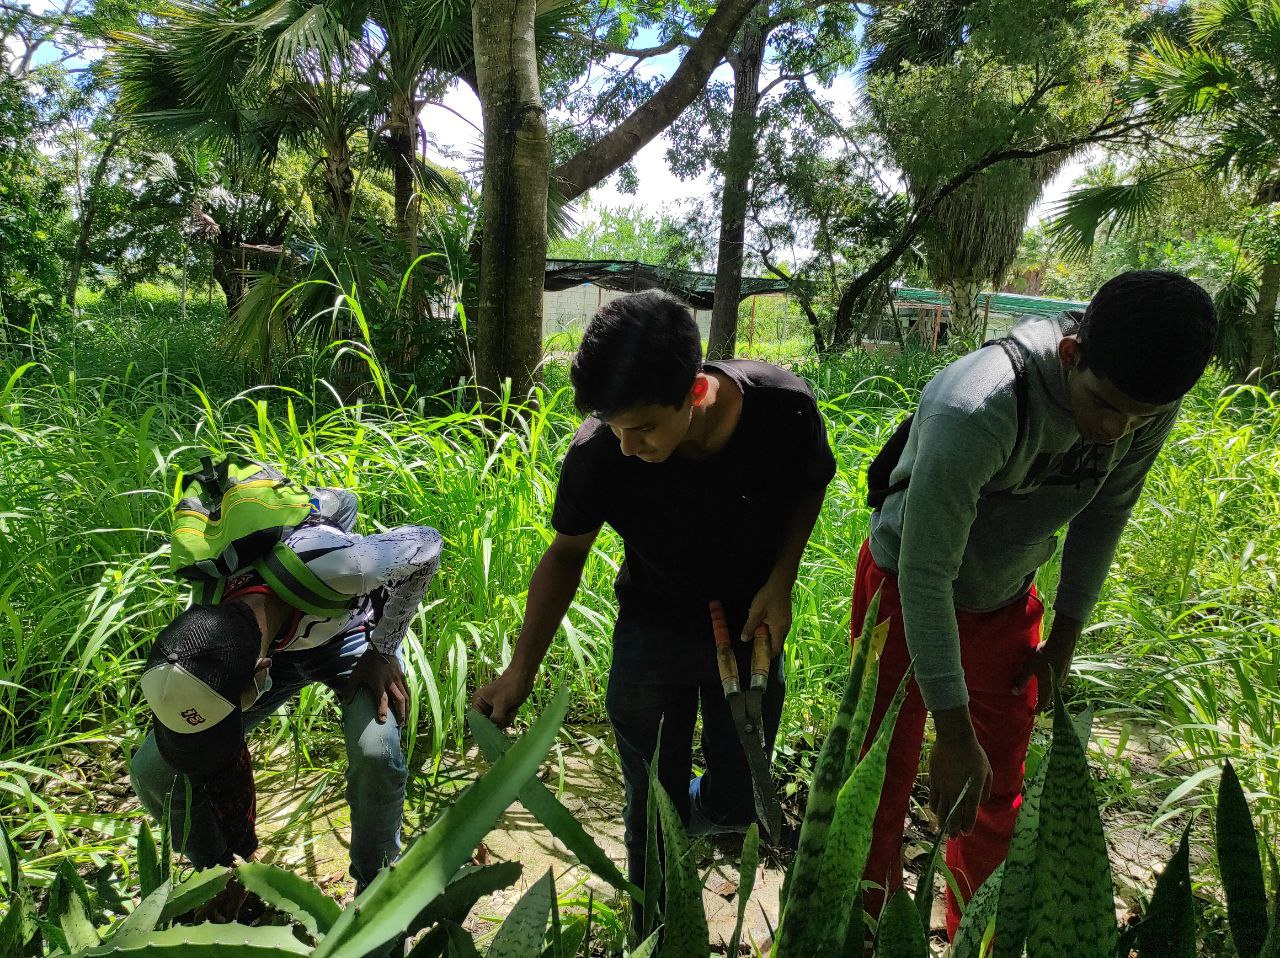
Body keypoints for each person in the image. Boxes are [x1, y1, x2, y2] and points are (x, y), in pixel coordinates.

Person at [856, 270, 1217, 937]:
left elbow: (1105, 513)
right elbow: (925, 569)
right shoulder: (979, 407)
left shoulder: (1141, 401)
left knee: (998, 791)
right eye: (1105, 406)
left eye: (1139, 418)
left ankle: (980, 936)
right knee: (881, 779)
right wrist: (953, 730)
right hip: (903, 595)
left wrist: (1064, 641)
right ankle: (859, 933)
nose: (1116, 431)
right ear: (1073, 355)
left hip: (1006, 599)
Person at [471, 290, 836, 891]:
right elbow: (565, 556)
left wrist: (783, 578)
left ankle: (700, 819)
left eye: (641, 429)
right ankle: (655, 919)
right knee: (649, 806)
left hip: (749, 623)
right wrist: (520, 670)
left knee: (738, 797)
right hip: (652, 626)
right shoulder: (600, 454)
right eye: (613, 428)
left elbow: (809, 484)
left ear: (694, 392)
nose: (627, 448)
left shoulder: (783, 410)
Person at [131, 486, 442, 894]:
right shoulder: (204, 629)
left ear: (260, 674)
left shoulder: (339, 567)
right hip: (273, 645)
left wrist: (382, 650)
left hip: (349, 637)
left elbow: (428, 542)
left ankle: (377, 892)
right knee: (152, 769)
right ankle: (219, 881)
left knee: (376, 755)